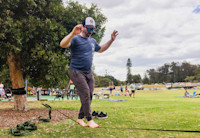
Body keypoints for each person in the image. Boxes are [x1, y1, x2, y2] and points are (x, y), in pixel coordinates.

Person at [60, 17, 118, 128]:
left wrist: (111, 40)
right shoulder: (75, 38)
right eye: (89, 29)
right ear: (83, 27)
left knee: (89, 95)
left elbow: (101, 49)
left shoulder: (92, 41)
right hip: (76, 71)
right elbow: (62, 44)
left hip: (88, 72)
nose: (91, 31)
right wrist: (72, 33)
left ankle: (80, 118)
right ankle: (90, 120)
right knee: (85, 93)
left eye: (92, 29)